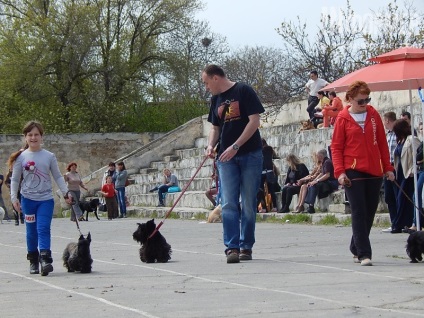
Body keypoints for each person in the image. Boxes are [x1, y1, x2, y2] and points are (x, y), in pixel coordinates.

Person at [203, 64, 264, 264]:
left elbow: (254, 121)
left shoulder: (243, 90)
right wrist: (210, 145)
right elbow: (215, 127)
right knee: (228, 202)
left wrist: (236, 146)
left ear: (215, 78)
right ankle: (232, 247)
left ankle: (246, 245)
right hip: (225, 158)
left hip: (249, 154)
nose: (206, 87)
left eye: (206, 82)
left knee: (247, 202)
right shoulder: (215, 100)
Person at [331, 80, 395, 266]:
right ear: (350, 99)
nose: (364, 104)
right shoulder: (342, 119)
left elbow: (382, 143)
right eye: (361, 101)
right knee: (359, 211)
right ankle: (364, 254)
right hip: (353, 171)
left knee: (370, 211)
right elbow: (336, 148)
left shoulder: (373, 115)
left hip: (374, 170)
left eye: (367, 99)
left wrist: (388, 167)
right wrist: (340, 173)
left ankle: (355, 245)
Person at [8, 120, 72, 275]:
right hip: (28, 200)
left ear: (42, 137)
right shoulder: (21, 157)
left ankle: (45, 259)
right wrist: (14, 199)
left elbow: (57, 176)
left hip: (45, 200)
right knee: (31, 231)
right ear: (25, 137)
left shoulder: (49, 156)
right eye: (30, 135)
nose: (33, 137)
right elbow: (15, 179)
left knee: (43, 228)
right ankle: (33, 260)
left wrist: (66, 193)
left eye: (36, 134)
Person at [391, 119, 421, 233]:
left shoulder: (412, 140)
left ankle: (399, 224)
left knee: (404, 198)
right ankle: (403, 223)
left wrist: (413, 170)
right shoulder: (400, 141)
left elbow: (417, 156)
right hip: (401, 173)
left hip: (410, 173)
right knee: (400, 198)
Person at [303, 149, 338, 214]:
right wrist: (314, 181)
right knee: (311, 184)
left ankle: (311, 206)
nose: (316, 157)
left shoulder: (327, 162)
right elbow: (321, 173)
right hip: (327, 182)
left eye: (317, 155)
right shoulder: (324, 162)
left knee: (314, 185)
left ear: (321, 156)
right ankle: (310, 206)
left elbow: (327, 175)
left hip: (332, 182)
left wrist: (317, 181)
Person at [381, 111, 398, 233]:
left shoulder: (398, 134)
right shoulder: (388, 135)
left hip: (395, 168)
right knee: (389, 197)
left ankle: (399, 222)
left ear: (387, 120)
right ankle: (394, 222)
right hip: (387, 169)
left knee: (397, 196)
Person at [258, 138, 279, 212]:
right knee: (263, 190)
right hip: (266, 171)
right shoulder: (269, 149)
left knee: (267, 190)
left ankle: (266, 207)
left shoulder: (267, 149)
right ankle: (271, 206)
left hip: (266, 171)